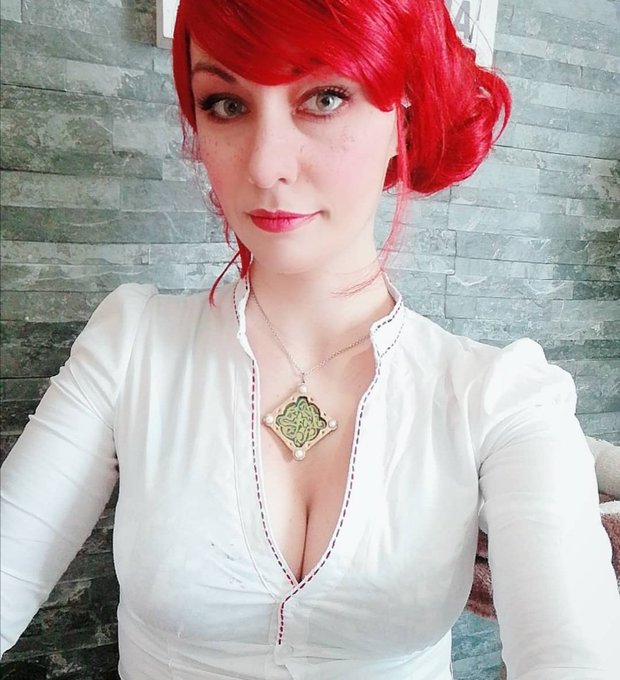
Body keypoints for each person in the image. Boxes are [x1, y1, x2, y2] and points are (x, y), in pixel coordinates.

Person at [1, 0, 619, 678]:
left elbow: (572, 656)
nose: (265, 165)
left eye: (325, 97)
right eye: (226, 104)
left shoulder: (502, 397)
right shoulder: (130, 347)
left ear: (403, 114)